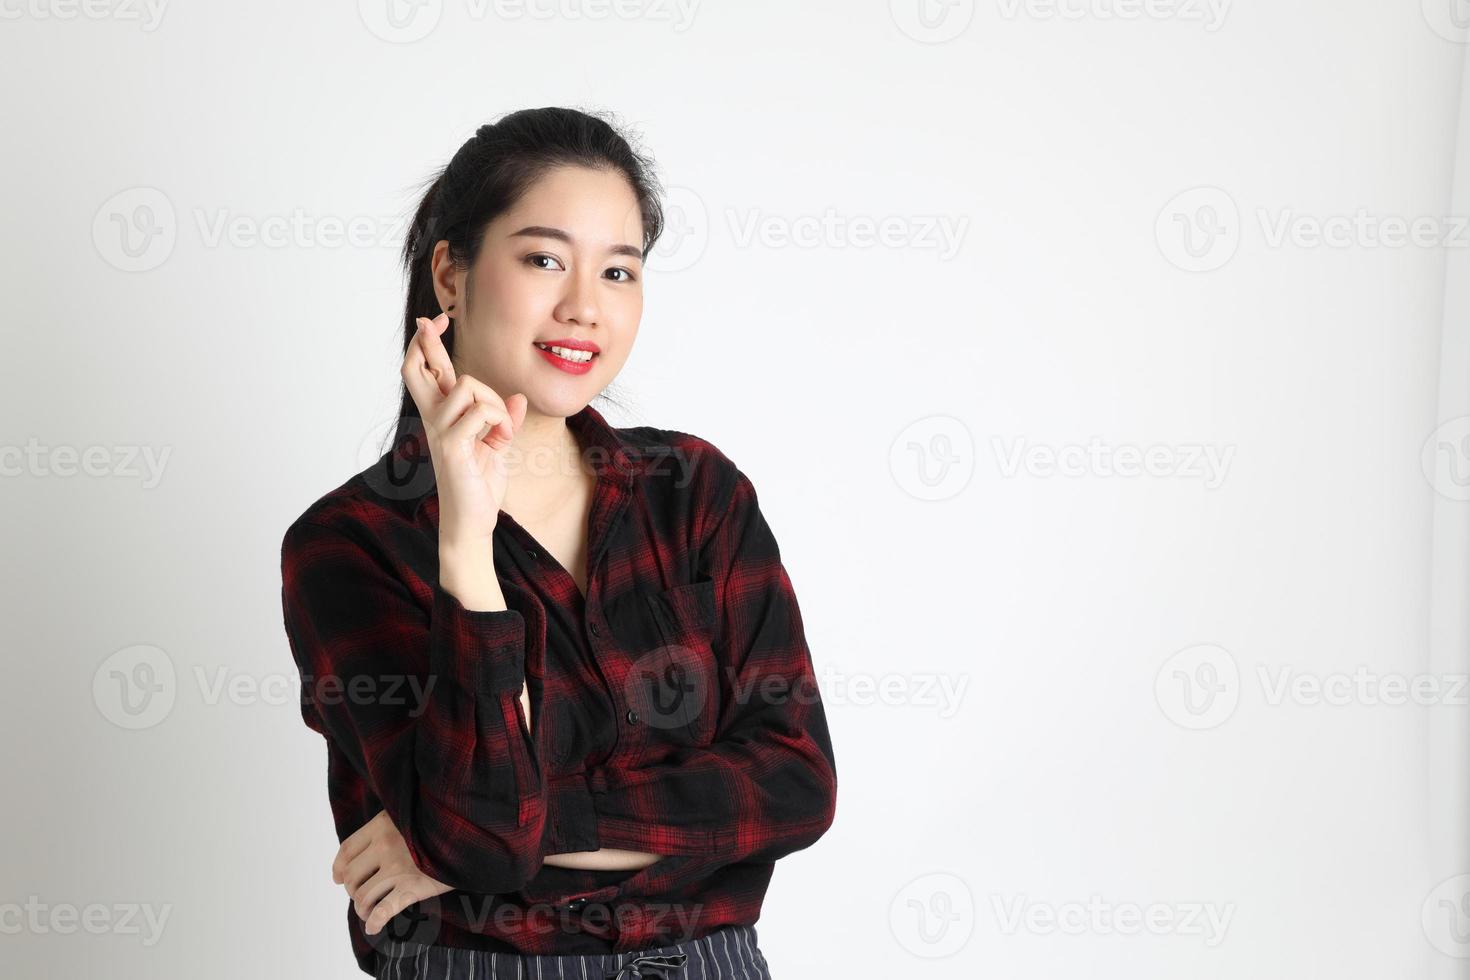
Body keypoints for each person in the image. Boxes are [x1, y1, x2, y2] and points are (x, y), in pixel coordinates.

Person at [279, 107, 838, 980]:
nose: (584, 307)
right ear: (451, 276)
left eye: (619, 271)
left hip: (711, 963)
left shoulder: (695, 493)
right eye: (544, 259)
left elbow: (795, 783)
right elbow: (484, 832)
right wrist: (467, 544)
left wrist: (544, 823)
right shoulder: (352, 545)